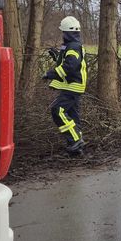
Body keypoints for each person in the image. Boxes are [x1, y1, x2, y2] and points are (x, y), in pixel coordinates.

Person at [43, 16, 88, 155]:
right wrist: (57, 56)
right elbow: (68, 62)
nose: (62, 35)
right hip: (72, 86)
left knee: (58, 111)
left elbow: (70, 66)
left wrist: (51, 74)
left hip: (72, 87)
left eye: (63, 32)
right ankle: (75, 148)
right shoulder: (72, 45)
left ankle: (75, 140)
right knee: (73, 116)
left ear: (67, 33)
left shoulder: (73, 46)